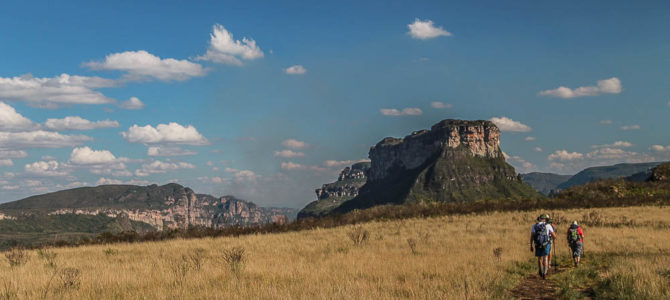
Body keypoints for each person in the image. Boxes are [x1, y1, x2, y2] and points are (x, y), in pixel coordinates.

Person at [530, 214, 557, 279]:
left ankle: (540, 271)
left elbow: (532, 236)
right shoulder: (548, 225)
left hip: (537, 244)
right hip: (546, 244)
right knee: (545, 257)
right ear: (545, 219)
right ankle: (545, 273)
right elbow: (554, 236)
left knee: (539, 258)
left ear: (539, 219)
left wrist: (531, 245)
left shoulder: (534, 226)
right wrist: (554, 237)